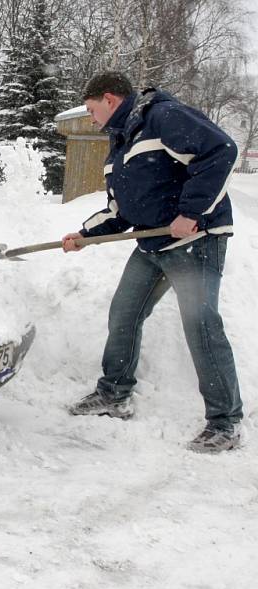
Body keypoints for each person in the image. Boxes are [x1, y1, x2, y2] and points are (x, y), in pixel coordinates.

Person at [63, 71, 243, 453]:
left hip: (194, 241)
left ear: (110, 99)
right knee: (124, 314)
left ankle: (225, 423)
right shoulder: (119, 146)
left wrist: (192, 211)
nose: (92, 119)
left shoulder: (162, 117)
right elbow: (121, 209)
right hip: (151, 244)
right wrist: (85, 235)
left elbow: (221, 150)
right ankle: (114, 394)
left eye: (93, 110)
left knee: (201, 326)